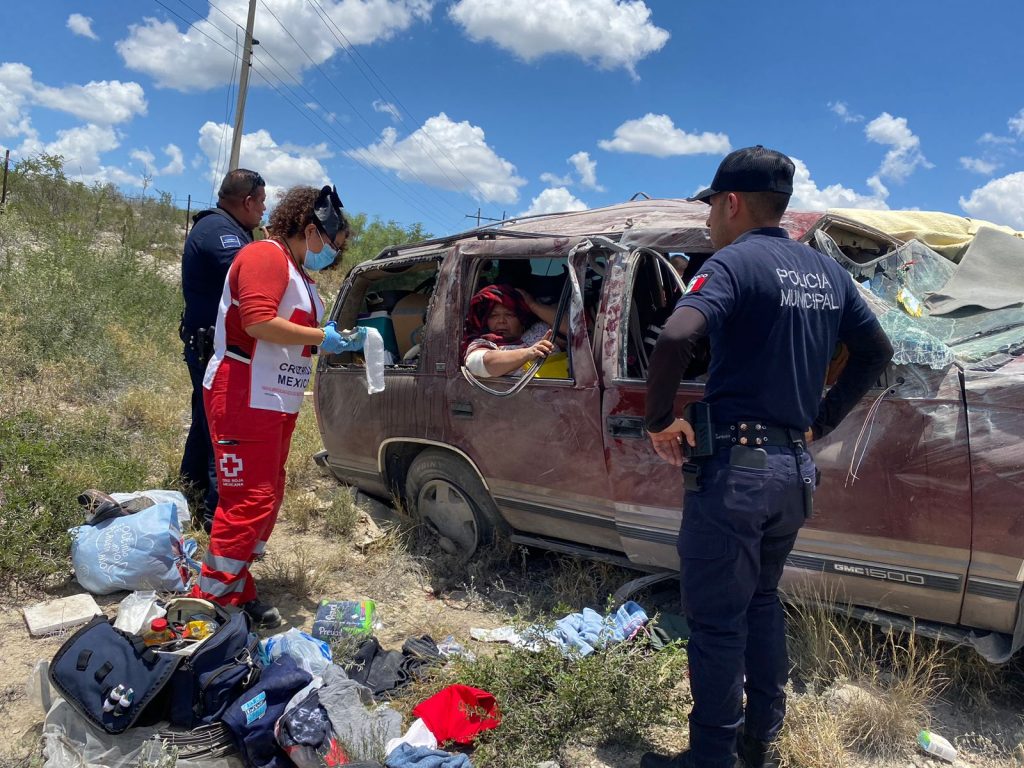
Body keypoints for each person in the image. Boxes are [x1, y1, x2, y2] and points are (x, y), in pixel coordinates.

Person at [641, 146, 894, 768]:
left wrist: (658, 422)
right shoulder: (825, 272)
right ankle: (762, 741)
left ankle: (710, 759)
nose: (707, 224)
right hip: (791, 475)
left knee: (717, 622)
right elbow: (875, 351)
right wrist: (821, 421)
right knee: (761, 601)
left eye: (710, 209)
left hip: (735, 475)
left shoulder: (731, 263)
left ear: (730, 203)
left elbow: (675, 336)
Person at [194, 184, 366, 628]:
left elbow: (293, 334)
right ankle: (209, 605)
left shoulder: (297, 273)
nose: (334, 255)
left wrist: (333, 339)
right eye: (333, 245)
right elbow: (257, 321)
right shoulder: (265, 257)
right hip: (243, 394)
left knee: (266, 496)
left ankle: (236, 586)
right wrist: (318, 336)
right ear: (310, 230)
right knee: (246, 500)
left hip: (274, 398)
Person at [179, 168, 267, 532]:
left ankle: (191, 496)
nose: (264, 210)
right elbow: (249, 280)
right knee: (223, 431)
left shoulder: (229, 229)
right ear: (246, 201)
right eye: (261, 202)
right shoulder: (220, 233)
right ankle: (219, 520)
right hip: (212, 348)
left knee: (205, 423)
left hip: (209, 344)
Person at [462, 283, 562, 377]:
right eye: (493, 315)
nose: (501, 321)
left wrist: (533, 305)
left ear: (521, 319)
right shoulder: (482, 343)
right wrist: (527, 353)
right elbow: (480, 364)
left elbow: (574, 329)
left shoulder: (541, 331)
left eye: (509, 314)